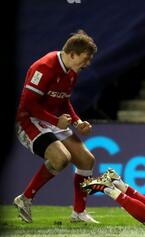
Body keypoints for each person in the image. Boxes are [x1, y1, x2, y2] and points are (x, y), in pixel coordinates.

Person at [14, 30, 99, 223]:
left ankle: (78, 214)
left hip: (52, 120)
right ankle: (24, 199)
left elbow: (64, 101)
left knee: (87, 160)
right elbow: (28, 105)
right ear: (72, 54)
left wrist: (78, 122)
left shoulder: (71, 71)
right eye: (85, 58)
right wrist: (55, 121)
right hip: (29, 120)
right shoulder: (44, 67)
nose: (88, 63)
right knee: (61, 159)